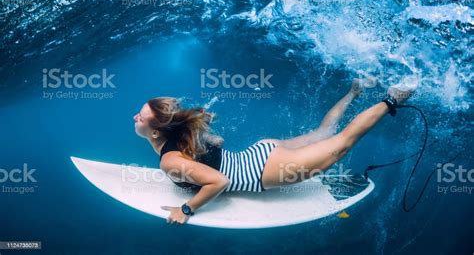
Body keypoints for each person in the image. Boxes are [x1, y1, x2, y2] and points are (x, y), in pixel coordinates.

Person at [133, 79, 414, 225]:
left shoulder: (169, 160)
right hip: (261, 151)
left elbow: (220, 182)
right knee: (322, 134)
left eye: (141, 117)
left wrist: (186, 209)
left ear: (156, 132)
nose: (135, 117)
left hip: (265, 171)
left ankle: (393, 98)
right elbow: (218, 143)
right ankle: (354, 92)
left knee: (341, 144)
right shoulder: (183, 138)